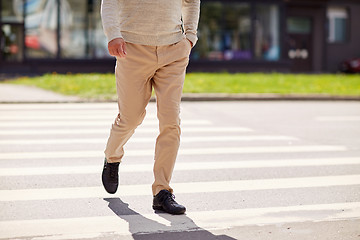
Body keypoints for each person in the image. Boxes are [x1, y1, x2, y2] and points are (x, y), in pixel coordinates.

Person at [100, 0, 200, 215]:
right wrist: (113, 34)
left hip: (174, 50)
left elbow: (191, 2)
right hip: (131, 49)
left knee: (171, 122)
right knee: (130, 118)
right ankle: (112, 157)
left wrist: (190, 37)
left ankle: (162, 191)